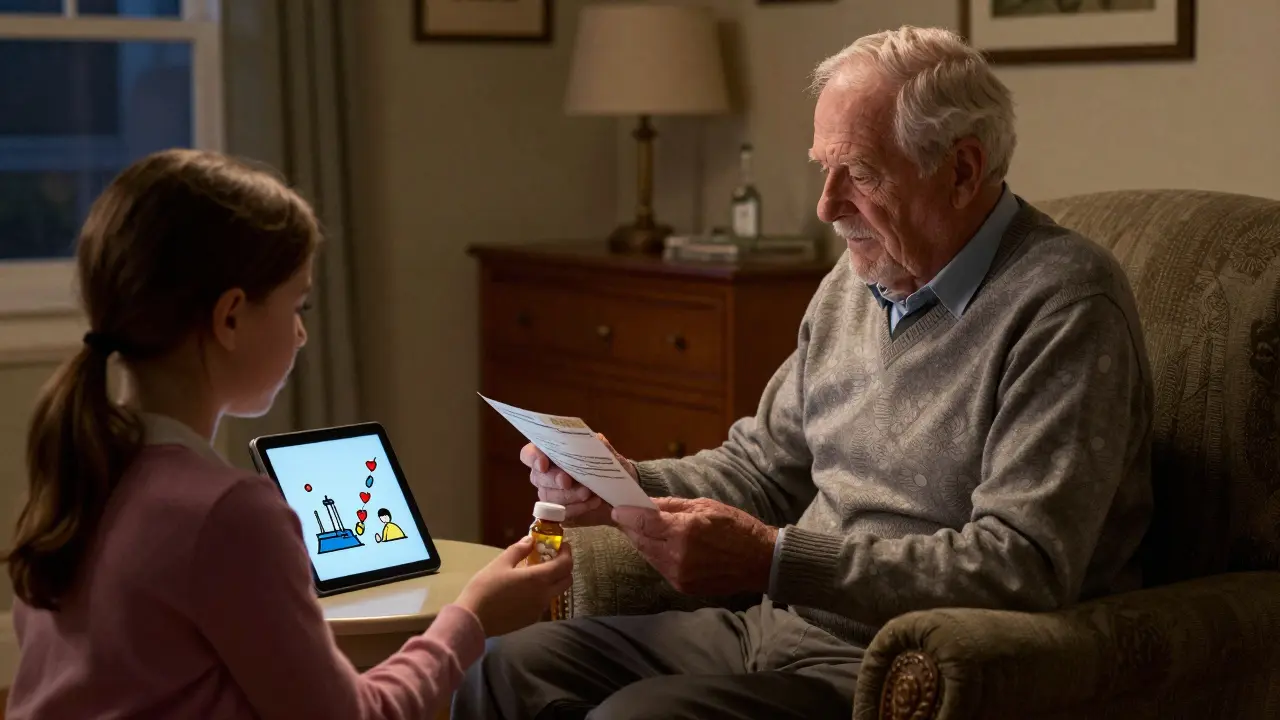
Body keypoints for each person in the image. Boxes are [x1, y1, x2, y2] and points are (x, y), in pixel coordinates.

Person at [452, 25, 1154, 720]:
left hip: (893, 666)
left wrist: (774, 561)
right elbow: (764, 468)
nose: (827, 206)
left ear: (963, 171)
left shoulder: (1064, 305)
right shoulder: (856, 281)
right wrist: (623, 485)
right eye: (824, 168)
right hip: (772, 630)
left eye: (862, 173)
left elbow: (1020, 564)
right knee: (500, 668)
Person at [4, 149, 574, 720]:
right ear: (230, 316)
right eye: (297, 304)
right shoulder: (227, 514)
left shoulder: (83, 470)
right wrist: (471, 618)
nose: (301, 334)